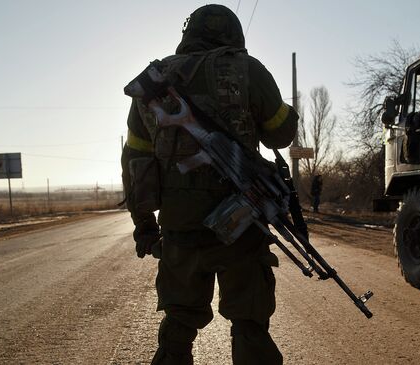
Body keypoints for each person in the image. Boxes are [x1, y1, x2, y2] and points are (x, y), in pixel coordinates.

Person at [121, 4, 298, 365]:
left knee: (178, 325)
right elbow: (282, 134)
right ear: (234, 34)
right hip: (242, 226)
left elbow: (136, 165)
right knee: (250, 325)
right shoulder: (248, 70)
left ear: (188, 34)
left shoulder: (154, 83)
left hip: (180, 229)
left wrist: (145, 227)